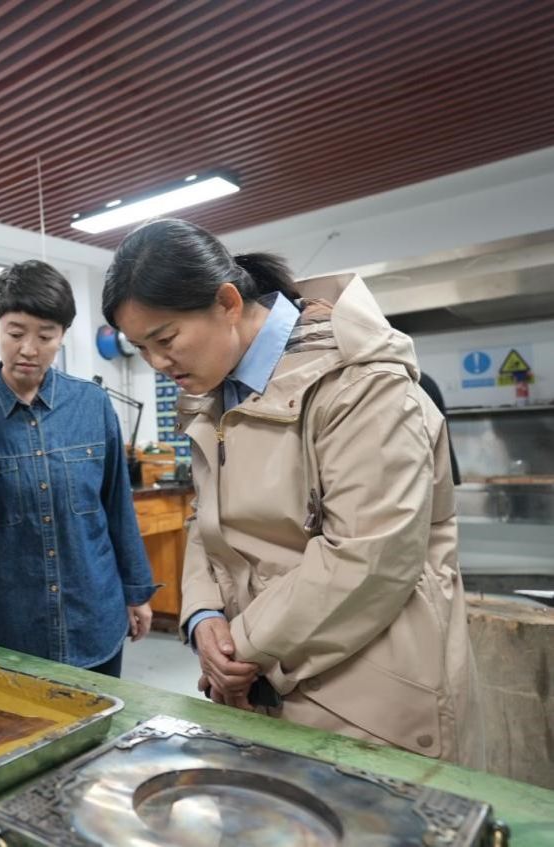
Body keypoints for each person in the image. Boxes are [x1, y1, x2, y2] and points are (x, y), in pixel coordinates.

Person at [103, 218, 482, 766]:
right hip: (260, 679)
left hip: (369, 696)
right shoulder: (215, 393)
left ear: (228, 303)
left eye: (165, 340)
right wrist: (203, 617)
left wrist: (238, 646)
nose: (158, 363)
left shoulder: (361, 384)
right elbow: (206, 519)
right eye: (141, 348)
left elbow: (367, 556)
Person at [0, 261, 156, 678]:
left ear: (62, 335)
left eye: (45, 336)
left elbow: (117, 506)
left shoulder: (92, 404)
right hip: (12, 625)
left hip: (94, 615)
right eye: (16, 333)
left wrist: (137, 592)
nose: (29, 349)